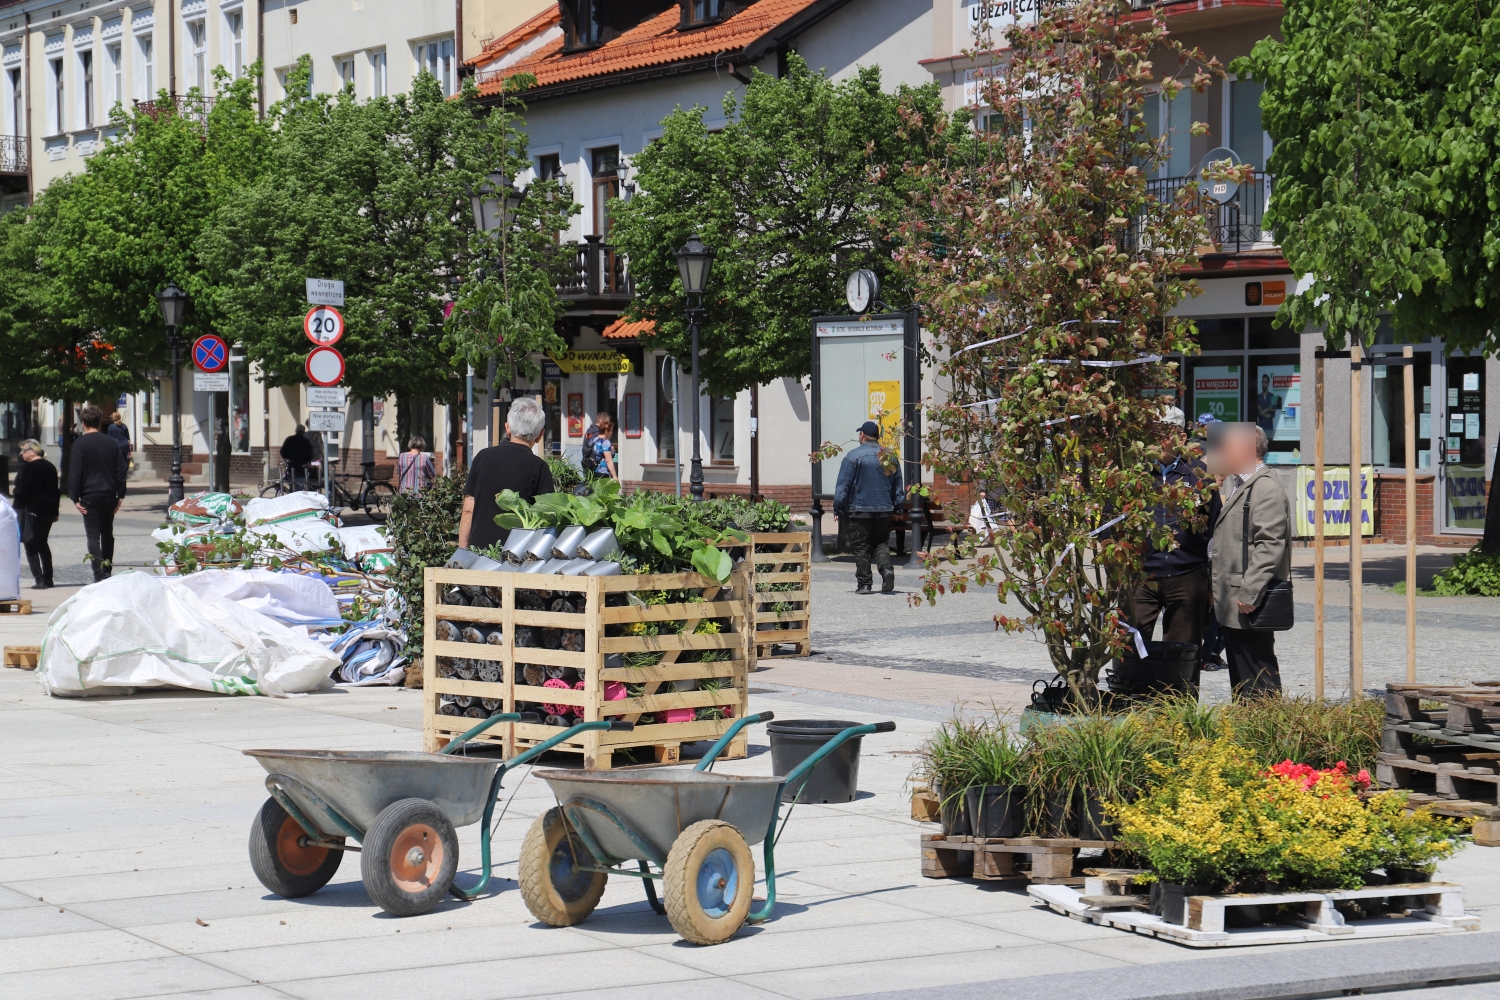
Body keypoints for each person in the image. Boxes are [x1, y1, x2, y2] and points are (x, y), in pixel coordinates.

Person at [1209, 423, 1290, 696]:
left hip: (1249, 600)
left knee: (1258, 670)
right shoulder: (1239, 484)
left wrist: (1250, 591)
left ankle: (1267, 731)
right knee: (1242, 673)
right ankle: (1247, 728)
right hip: (1233, 597)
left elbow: (1270, 545)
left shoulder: (1265, 488)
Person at [1131, 452, 1222, 683]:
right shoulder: (1133, 471)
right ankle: (1132, 702)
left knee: (1183, 651)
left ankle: (1179, 709)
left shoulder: (1198, 473)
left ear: (1179, 436)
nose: (1157, 440)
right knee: (1130, 643)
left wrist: (1212, 584)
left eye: (1164, 432)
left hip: (1187, 572)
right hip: (1140, 574)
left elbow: (1215, 529)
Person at [458, 395, 555, 552]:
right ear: (540, 435)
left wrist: (462, 553)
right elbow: (546, 518)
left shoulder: (482, 457)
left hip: (479, 554)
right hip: (518, 556)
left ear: (507, 428)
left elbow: (468, 509)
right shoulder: (539, 467)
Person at [834, 420, 904, 595]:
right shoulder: (889, 456)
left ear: (862, 435)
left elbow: (843, 486)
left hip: (860, 509)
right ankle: (886, 569)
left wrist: (838, 508)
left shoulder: (853, 456)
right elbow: (897, 484)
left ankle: (865, 584)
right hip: (883, 509)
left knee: (861, 546)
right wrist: (898, 506)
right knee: (881, 542)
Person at [69, 403, 128, 583]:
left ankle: (98, 573)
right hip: (109, 493)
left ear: (83, 423)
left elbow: (76, 471)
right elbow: (121, 470)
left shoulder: (80, 443)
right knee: (107, 534)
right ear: (99, 421)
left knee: (93, 536)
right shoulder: (111, 442)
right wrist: (121, 495)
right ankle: (107, 570)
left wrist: (75, 497)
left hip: (89, 495)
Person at [11, 439, 59, 589]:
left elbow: (22, 492)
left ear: (32, 452)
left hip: (30, 511)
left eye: (23, 451)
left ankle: (39, 578)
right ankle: (48, 578)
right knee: (43, 543)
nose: (21, 454)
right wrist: (55, 511)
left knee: (30, 544)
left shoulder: (28, 468)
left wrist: (14, 492)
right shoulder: (50, 466)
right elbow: (55, 491)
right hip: (47, 512)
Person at [280, 425, 315, 490]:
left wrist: (287, 459)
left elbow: (282, 451)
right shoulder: (306, 441)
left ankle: (291, 495)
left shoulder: (289, 439)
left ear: (296, 431)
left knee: (292, 484)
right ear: (303, 432)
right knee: (299, 485)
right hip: (301, 467)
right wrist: (304, 461)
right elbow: (310, 455)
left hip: (291, 465)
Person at [586, 412, 617, 479]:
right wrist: (614, 476)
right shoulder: (605, 442)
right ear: (606, 431)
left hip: (593, 470)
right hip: (603, 472)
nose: (611, 433)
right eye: (610, 431)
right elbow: (608, 460)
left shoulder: (594, 440)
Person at [1256, 373, 1281, 439]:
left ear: (1268, 383)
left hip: (1269, 429)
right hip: (1260, 429)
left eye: (1266, 382)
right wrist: (1269, 409)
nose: (1264, 384)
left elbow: (1272, 415)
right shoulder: (1258, 397)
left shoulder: (1272, 396)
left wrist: (1262, 412)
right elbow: (1258, 413)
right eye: (1263, 382)